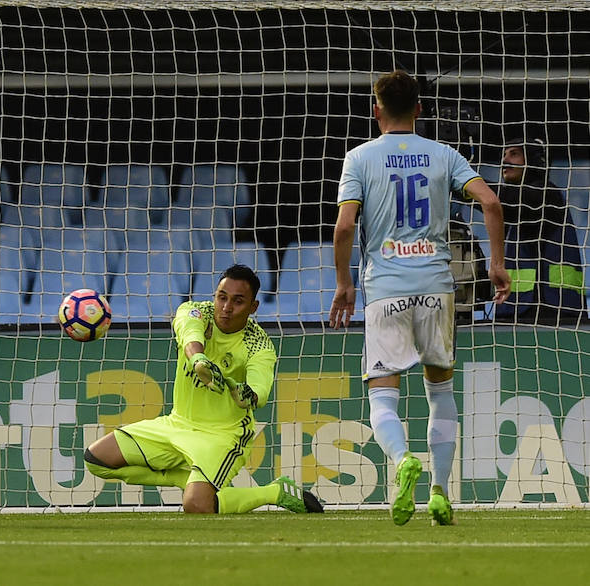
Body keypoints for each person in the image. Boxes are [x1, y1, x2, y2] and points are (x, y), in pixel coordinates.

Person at [329, 70, 511, 526]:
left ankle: (401, 460)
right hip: (436, 287)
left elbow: (346, 226)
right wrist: (496, 264)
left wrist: (343, 283)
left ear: (375, 110)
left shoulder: (359, 158)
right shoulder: (443, 155)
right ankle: (441, 493)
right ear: (419, 109)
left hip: (385, 289)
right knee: (441, 391)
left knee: (382, 396)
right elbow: (491, 203)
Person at [84, 264, 322, 514]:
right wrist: (199, 360)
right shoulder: (195, 311)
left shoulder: (259, 345)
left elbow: (258, 394)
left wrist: (241, 392)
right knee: (96, 459)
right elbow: (190, 334)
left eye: (238, 301)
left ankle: (273, 492)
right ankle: (182, 479)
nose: (226, 308)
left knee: (197, 506)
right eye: (222, 298)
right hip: (177, 424)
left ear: (253, 308)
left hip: (222, 434)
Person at [495, 134, 585, 325]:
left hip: (554, 312)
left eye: (514, 154)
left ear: (534, 161)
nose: (505, 160)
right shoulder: (516, 202)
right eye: (504, 154)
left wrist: (469, 186)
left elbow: (508, 201)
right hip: (516, 309)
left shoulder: (546, 195)